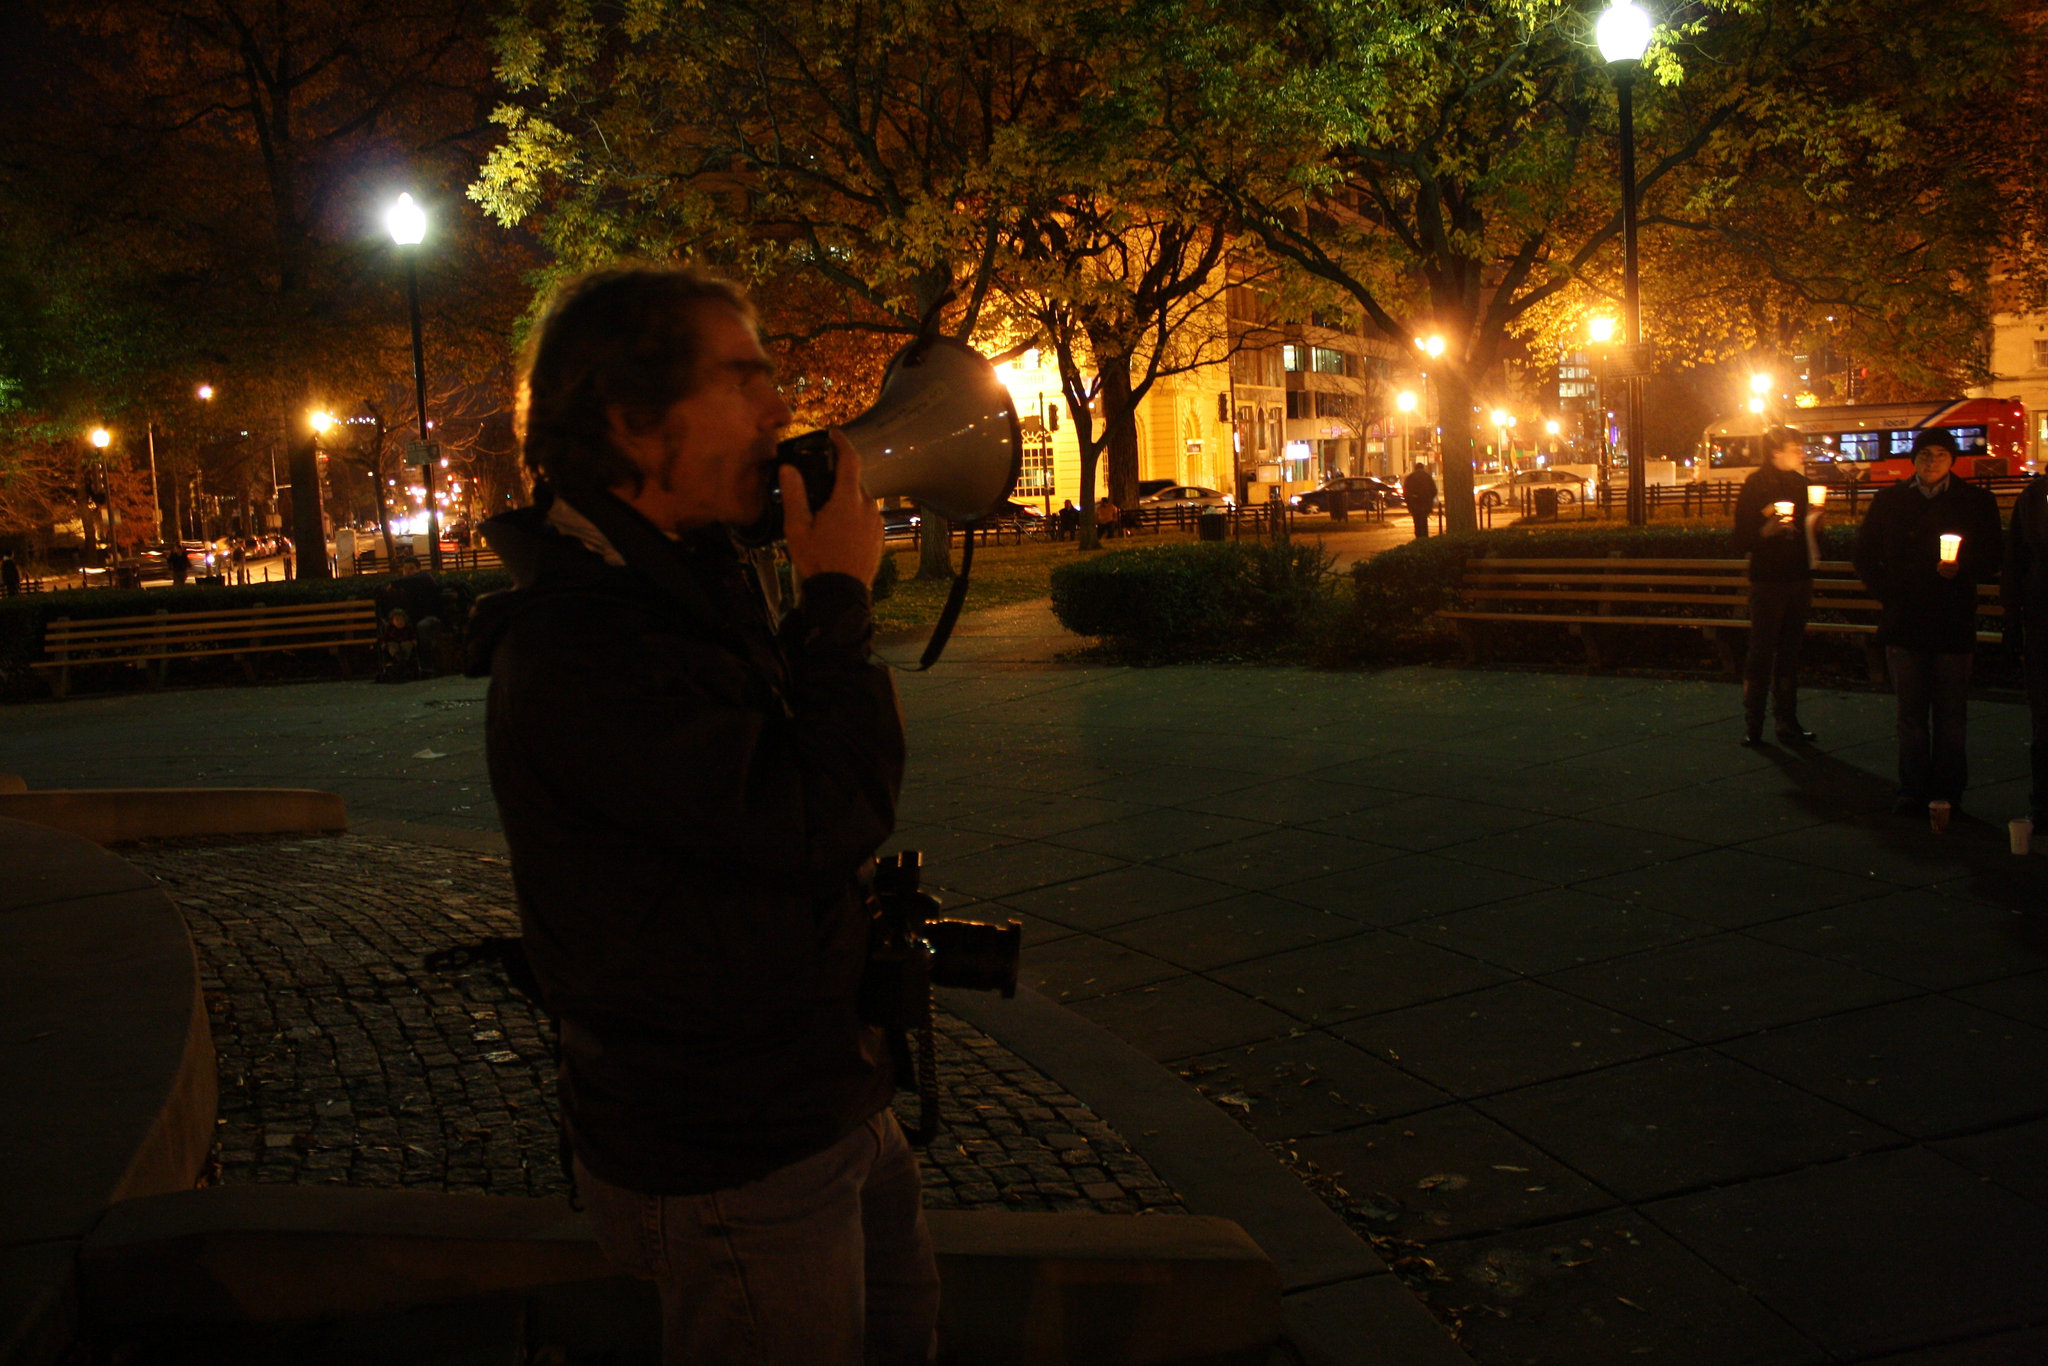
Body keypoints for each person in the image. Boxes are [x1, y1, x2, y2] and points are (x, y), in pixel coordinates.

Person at [466, 267, 936, 1366]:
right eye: (743, 378)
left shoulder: (677, 583)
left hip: (814, 1097)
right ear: (633, 425)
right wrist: (836, 605)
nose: (781, 410)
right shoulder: (588, 649)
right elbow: (820, 813)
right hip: (730, 1149)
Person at [1852, 428, 2003, 818]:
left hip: (1952, 619)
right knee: (1911, 715)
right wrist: (1890, 593)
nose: (1931, 461)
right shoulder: (1890, 501)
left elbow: (1992, 556)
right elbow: (1865, 555)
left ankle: (1949, 791)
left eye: (1939, 454)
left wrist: (1962, 568)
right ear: (1913, 460)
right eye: (1924, 454)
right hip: (1905, 619)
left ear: (1952, 459)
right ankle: (1913, 788)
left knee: (1951, 716)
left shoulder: (1975, 502)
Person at [1730, 427, 1822, 745]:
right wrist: (1764, 532)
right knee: (1762, 650)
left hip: (1799, 577)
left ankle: (1787, 719)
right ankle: (1753, 722)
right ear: (1775, 452)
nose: (1801, 452)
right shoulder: (1756, 485)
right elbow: (1740, 537)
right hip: (1768, 580)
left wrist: (1816, 521)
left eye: (1800, 447)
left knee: (1790, 652)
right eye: (1794, 447)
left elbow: (1814, 535)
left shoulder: (1802, 484)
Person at [2002, 461, 2048, 831]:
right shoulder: (2033, 498)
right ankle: (2043, 801)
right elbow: (2015, 561)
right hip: (2041, 621)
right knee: (2043, 720)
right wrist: (2012, 624)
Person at [1402, 460, 1437, 539]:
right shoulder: (1428, 477)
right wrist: (1429, 499)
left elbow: (1405, 492)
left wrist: (1410, 501)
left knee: (1417, 522)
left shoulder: (1410, 478)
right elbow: (1434, 491)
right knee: (1424, 522)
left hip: (1414, 504)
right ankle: (1424, 538)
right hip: (1425, 504)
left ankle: (1418, 538)